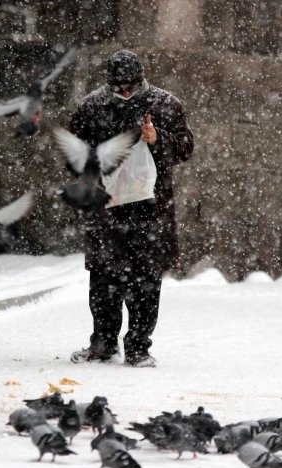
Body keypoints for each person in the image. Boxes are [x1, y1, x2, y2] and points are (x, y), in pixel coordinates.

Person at [67, 50, 194, 367]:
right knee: (103, 279)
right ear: (108, 81)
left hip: (152, 207)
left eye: (130, 85)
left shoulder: (165, 104)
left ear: (141, 78)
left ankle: (138, 347)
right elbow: (75, 155)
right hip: (106, 207)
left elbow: (186, 147)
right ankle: (103, 344)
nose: (125, 91)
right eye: (118, 86)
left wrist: (158, 138)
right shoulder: (91, 106)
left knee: (146, 280)